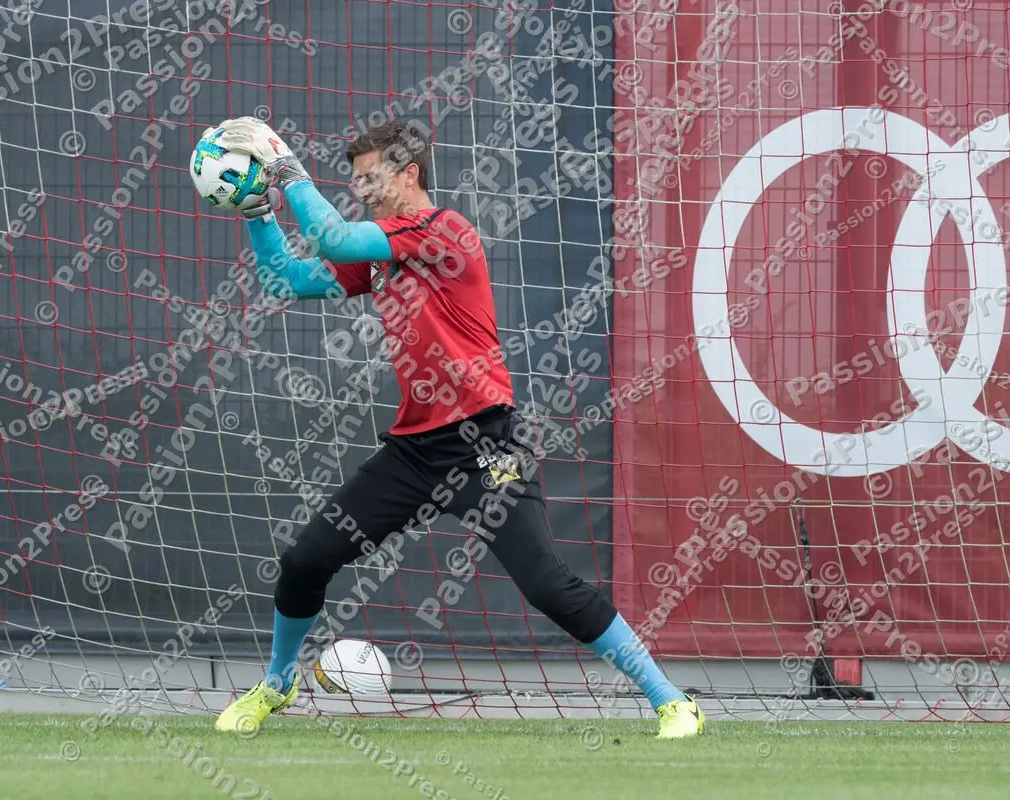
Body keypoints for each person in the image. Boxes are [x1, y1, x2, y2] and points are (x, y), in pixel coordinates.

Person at [210, 115, 704, 739]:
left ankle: (672, 701)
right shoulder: (384, 253)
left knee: (548, 585)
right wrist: (257, 212)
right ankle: (278, 684)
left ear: (409, 173)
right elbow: (285, 279)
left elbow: (332, 238)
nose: (361, 190)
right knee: (306, 560)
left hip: (484, 444)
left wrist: (284, 167)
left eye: (370, 178)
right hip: (414, 452)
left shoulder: (445, 229)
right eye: (356, 180)